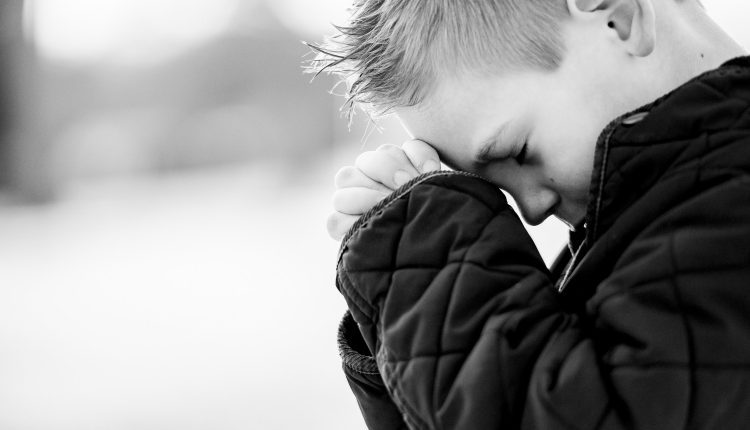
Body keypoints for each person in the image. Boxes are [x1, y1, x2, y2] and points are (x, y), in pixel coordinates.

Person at [307, 0, 750, 428]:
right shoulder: (659, 213)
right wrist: (403, 311)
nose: (532, 212)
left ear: (619, 19)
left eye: (519, 152)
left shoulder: (726, 207)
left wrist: (425, 254)